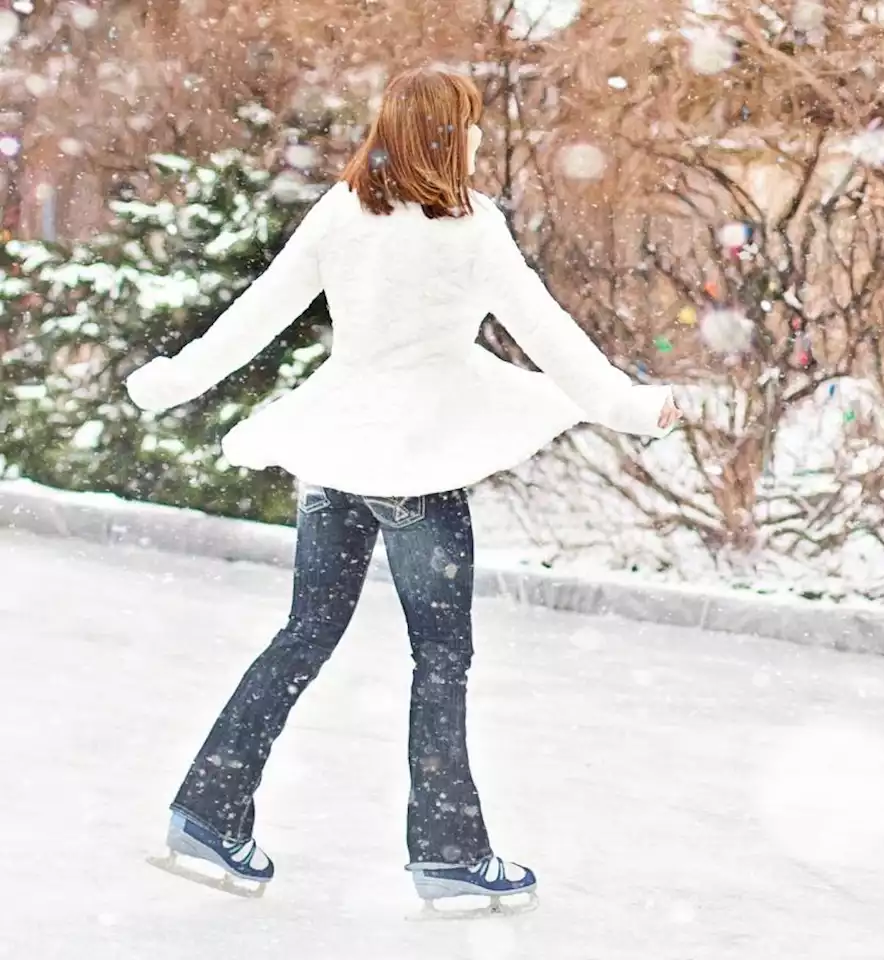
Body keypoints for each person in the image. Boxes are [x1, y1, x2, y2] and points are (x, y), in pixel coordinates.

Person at [126, 66, 681, 912]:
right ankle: (450, 853)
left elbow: (255, 316)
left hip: (338, 452)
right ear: (446, 135)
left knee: (304, 633)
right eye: (468, 125)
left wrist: (168, 383)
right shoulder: (469, 228)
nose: (477, 138)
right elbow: (549, 336)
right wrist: (630, 408)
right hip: (416, 463)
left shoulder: (343, 213)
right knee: (442, 657)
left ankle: (206, 809)